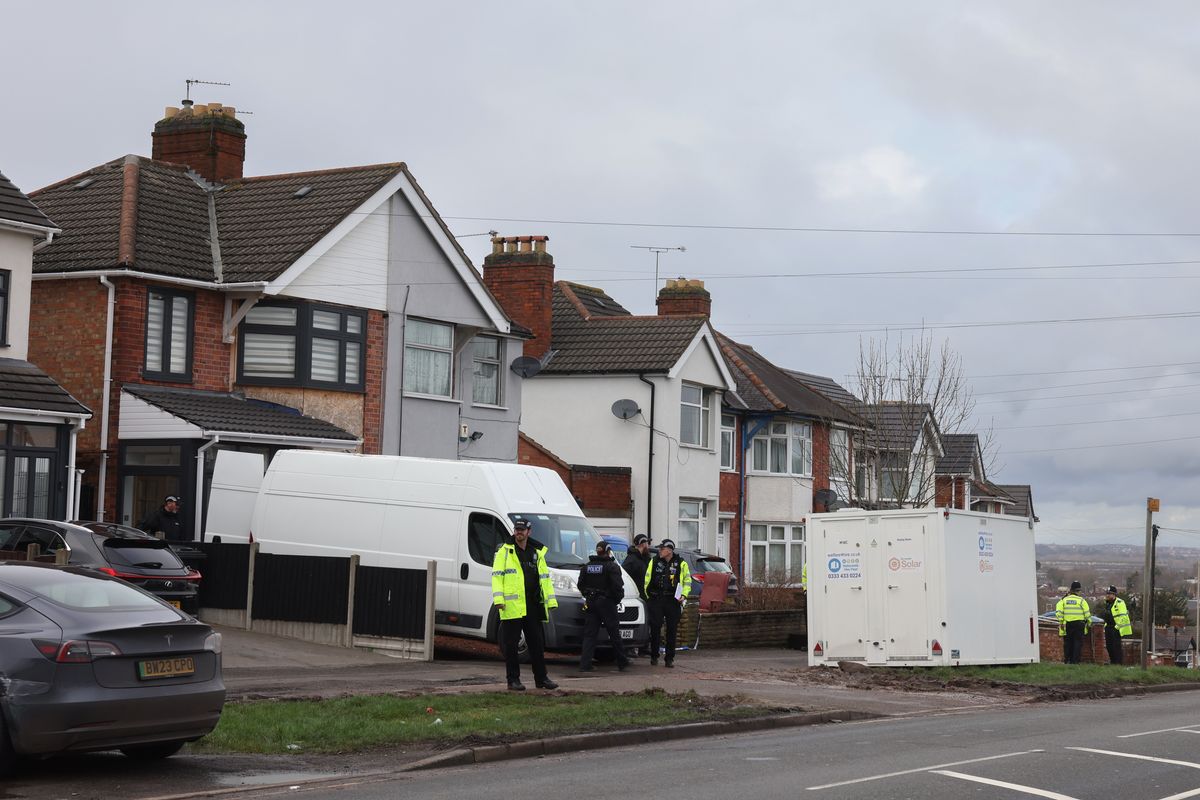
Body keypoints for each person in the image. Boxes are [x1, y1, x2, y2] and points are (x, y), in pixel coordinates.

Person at [491, 518, 559, 691]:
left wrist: (551, 601)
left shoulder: (536, 553)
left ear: (529, 532)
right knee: (511, 645)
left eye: (522, 530)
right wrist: (499, 600)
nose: (519, 532)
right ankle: (513, 680)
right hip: (512, 606)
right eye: (517, 529)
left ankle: (541, 679)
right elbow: (497, 577)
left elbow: (545, 579)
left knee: (536, 643)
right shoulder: (504, 552)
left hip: (533, 605)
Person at [576, 541, 631, 673]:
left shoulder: (587, 567)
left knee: (589, 635)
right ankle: (622, 662)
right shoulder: (611, 567)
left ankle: (585, 664)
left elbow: (580, 585)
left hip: (591, 602)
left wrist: (588, 595)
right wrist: (615, 600)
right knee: (614, 634)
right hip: (606, 603)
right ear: (608, 551)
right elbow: (618, 587)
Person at [643, 539, 691, 667]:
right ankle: (654, 656)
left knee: (672, 630)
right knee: (655, 628)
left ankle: (669, 659)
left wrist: (684, 595)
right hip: (656, 599)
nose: (659, 551)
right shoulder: (654, 561)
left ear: (669, 550)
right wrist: (649, 598)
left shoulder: (681, 563)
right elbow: (647, 579)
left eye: (661, 549)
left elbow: (687, 582)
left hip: (672, 600)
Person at [1056, 580, 1091, 664]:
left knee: (1068, 643)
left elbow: (1058, 612)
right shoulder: (1082, 601)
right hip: (1079, 625)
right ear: (1078, 591)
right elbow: (1087, 615)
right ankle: (1075, 661)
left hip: (1068, 624)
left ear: (1071, 590)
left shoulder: (1064, 600)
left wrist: (1061, 621)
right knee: (1077, 643)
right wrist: (1089, 624)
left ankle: (1067, 660)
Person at [1099, 586, 1132, 665]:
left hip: (1116, 628)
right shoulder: (1108, 603)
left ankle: (1118, 664)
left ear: (1114, 595)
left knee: (1116, 647)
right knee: (1109, 646)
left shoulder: (1120, 603)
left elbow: (1123, 617)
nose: (1107, 595)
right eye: (1107, 594)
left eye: (1109, 594)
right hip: (1109, 627)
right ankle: (1113, 662)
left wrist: (1117, 627)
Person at [621, 534, 652, 599]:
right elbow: (623, 576)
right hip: (637, 597)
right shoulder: (631, 560)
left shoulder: (645, 558)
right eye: (647, 543)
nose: (648, 546)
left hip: (645, 596)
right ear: (643, 544)